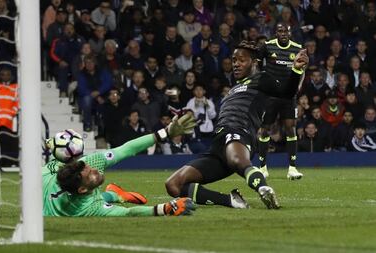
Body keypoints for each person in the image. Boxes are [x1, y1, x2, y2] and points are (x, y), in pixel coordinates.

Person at [164, 41, 309, 210]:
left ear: (254, 63)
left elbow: (287, 92)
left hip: (240, 132)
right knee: (173, 184)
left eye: (241, 60)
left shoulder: (261, 79)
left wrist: (296, 69)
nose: (236, 64)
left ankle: (263, 188)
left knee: (237, 159)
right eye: (234, 60)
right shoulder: (234, 88)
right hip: (218, 146)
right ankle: (231, 200)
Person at [43, 113, 197, 217]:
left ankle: (114, 194)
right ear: (82, 189)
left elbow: (126, 149)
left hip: (47, 180)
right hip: (62, 202)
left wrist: (166, 132)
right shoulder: (88, 208)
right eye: (90, 175)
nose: (95, 170)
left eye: (89, 168)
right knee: (100, 198)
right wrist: (167, 208)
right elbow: (128, 213)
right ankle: (115, 195)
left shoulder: (83, 164)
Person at [257, 23, 304, 180]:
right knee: (265, 129)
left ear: (290, 33)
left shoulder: (297, 48)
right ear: (275, 33)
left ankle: (292, 168)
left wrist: (298, 84)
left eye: (286, 31)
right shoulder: (267, 46)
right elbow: (256, 66)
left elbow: (302, 68)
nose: (283, 33)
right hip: (271, 96)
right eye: (280, 31)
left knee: (291, 128)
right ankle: (262, 167)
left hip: (288, 96)